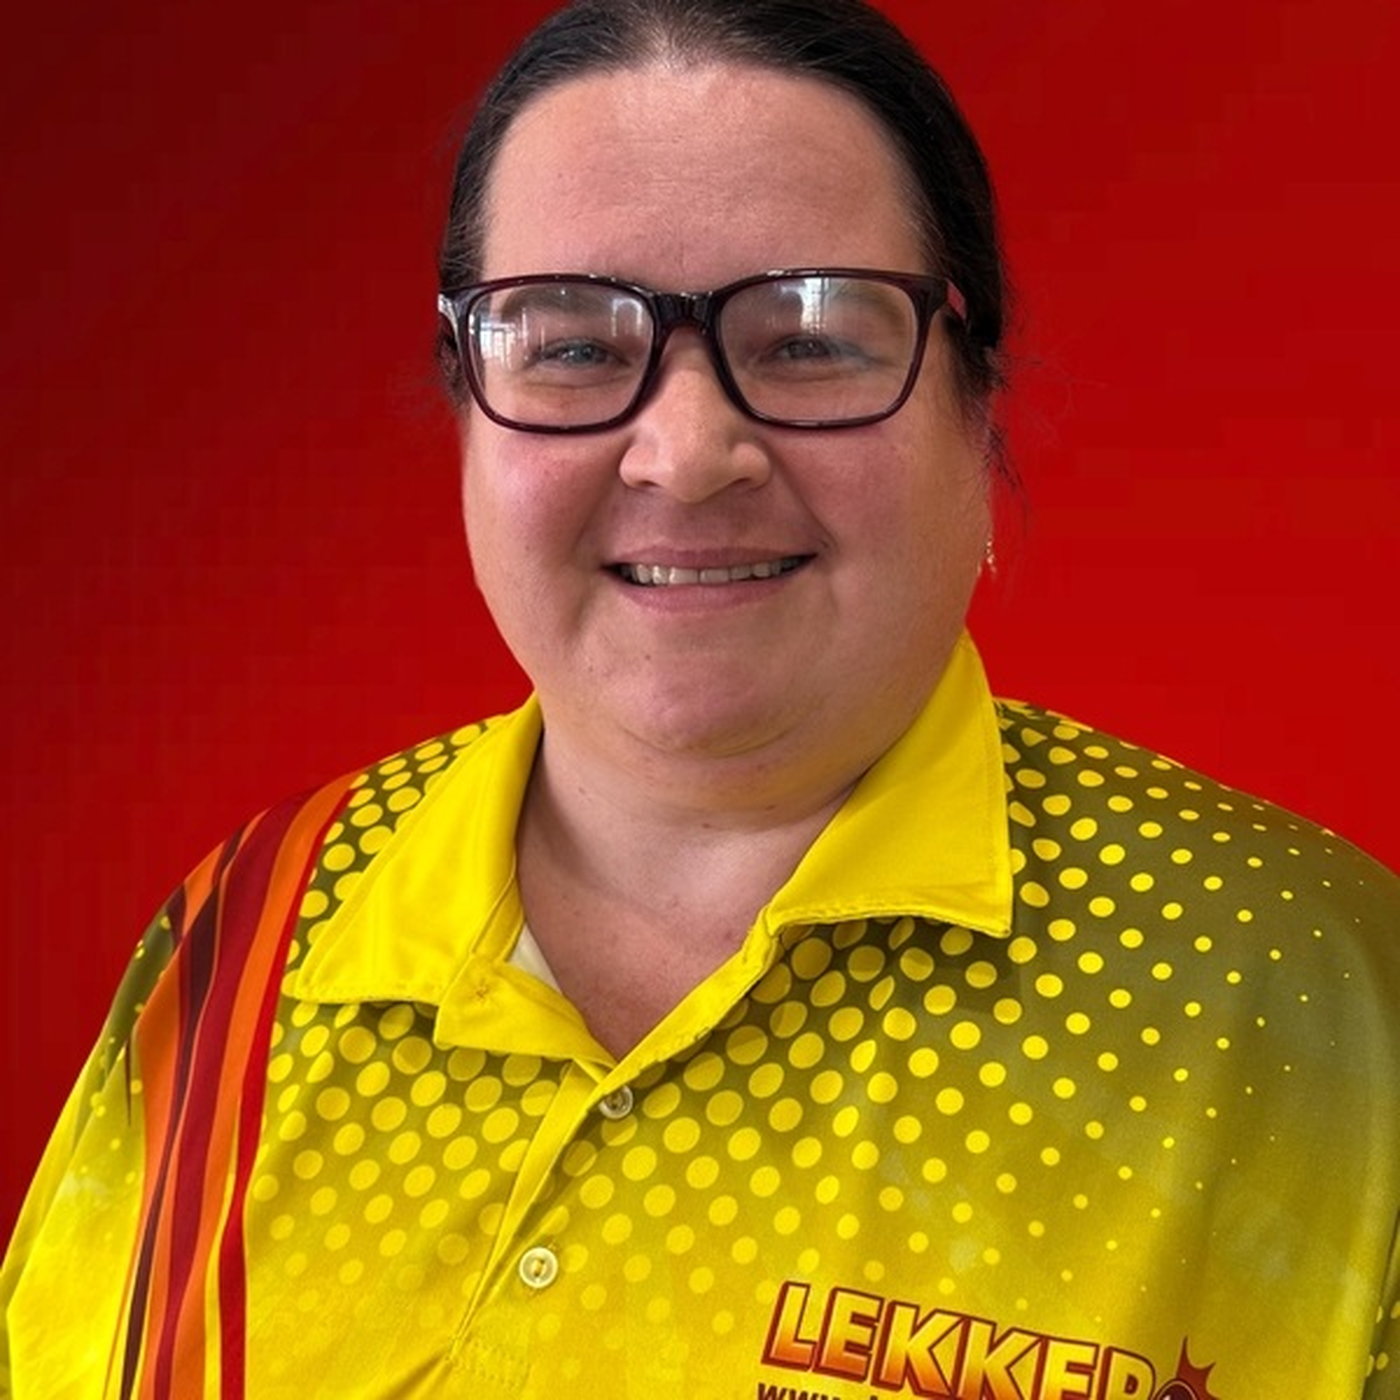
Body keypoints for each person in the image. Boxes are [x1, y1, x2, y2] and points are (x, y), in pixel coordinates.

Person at [2, 0, 1396, 1396]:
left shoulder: (1317, 1005)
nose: (684, 452)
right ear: (468, 407)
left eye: (809, 338)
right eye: (571, 346)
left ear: (975, 411)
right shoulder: (243, 937)